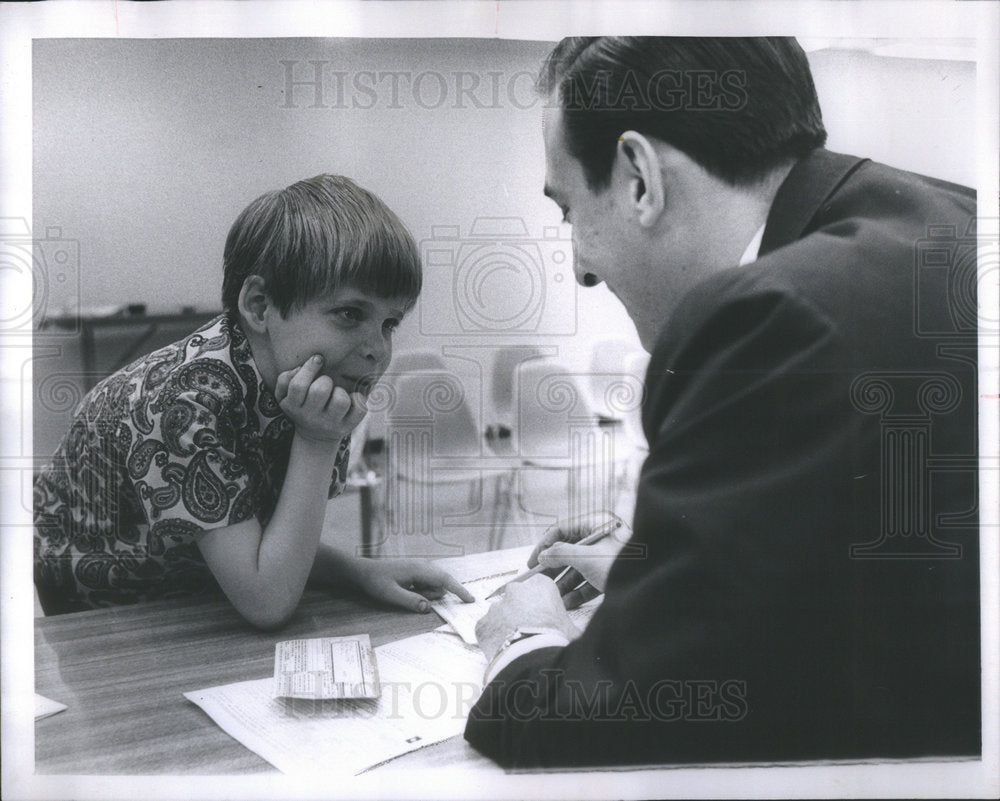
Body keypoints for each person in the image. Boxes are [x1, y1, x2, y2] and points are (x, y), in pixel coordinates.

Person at [465, 37, 980, 767]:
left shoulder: (767, 319)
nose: (578, 265)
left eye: (571, 210)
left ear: (640, 178)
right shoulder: (950, 220)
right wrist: (680, 569)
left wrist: (524, 637)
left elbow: (610, 732)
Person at [34, 174, 473, 628]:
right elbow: (267, 603)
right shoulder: (186, 400)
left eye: (389, 323)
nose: (377, 349)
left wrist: (359, 572)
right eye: (350, 314)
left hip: (202, 583)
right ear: (260, 306)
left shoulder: (310, 386)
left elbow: (262, 540)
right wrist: (318, 441)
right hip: (105, 617)